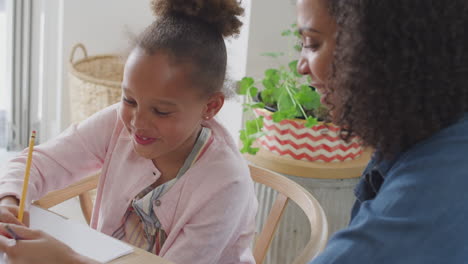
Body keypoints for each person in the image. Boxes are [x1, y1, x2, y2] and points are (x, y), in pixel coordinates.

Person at [0, 0, 258, 263]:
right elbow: (41, 162)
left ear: (210, 107)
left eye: (161, 111)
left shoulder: (226, 185)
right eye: (129, 100)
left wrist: (64, 259)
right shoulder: (117, 123)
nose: (138, 123)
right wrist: (9, 201)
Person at [295, 0, 468, 263]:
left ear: (379, 47)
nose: (301, 67)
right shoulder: (423, 134)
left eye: (311, 43)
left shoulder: (438, 186)